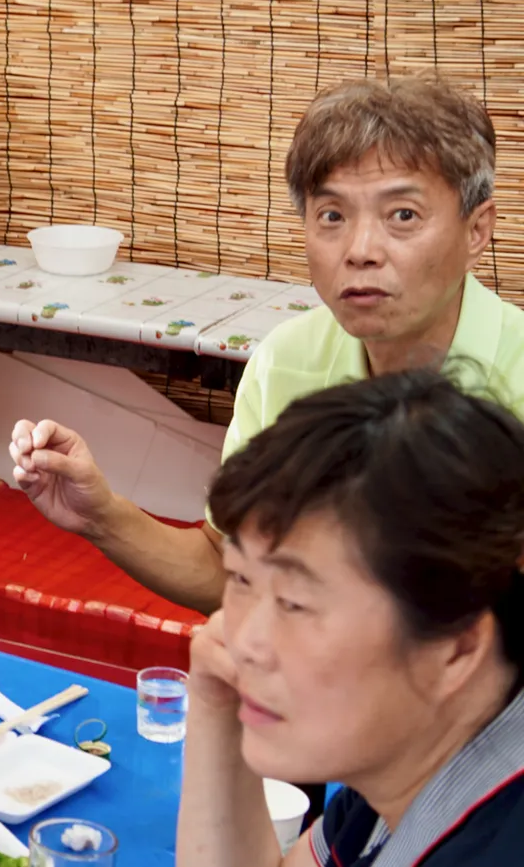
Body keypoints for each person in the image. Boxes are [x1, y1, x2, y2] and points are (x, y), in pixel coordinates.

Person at [9, 75, 524, 613]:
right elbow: (227, 571)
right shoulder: (285, 363)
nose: (361, 250)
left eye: (402, 216)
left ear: (476, 232)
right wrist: (100, 514)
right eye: (332, 216)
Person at [177, 370, 524, 866]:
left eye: (295, 602)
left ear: (457, 647)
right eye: (240, 579)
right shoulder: (407, 752)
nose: (244, 641)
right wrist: (215, 707)